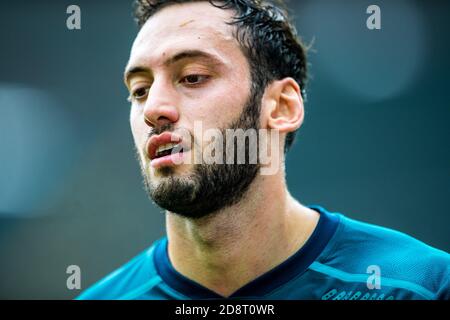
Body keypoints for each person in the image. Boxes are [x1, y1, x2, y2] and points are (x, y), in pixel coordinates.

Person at [77, 0, 449, 300]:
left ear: (282, 106)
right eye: (139, 90)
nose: (154, 109)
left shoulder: (422, 286)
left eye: (192, 77)